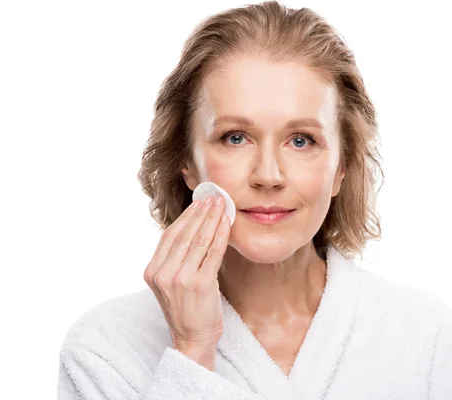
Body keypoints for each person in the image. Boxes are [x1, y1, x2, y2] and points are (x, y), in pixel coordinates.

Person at [57, 1, 452, 399]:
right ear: (186, 164)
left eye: (301, 140)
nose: (268, 175)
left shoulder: (428, 340)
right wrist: (192, 351)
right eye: (235, 137)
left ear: (341, 169)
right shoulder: (104, 350)